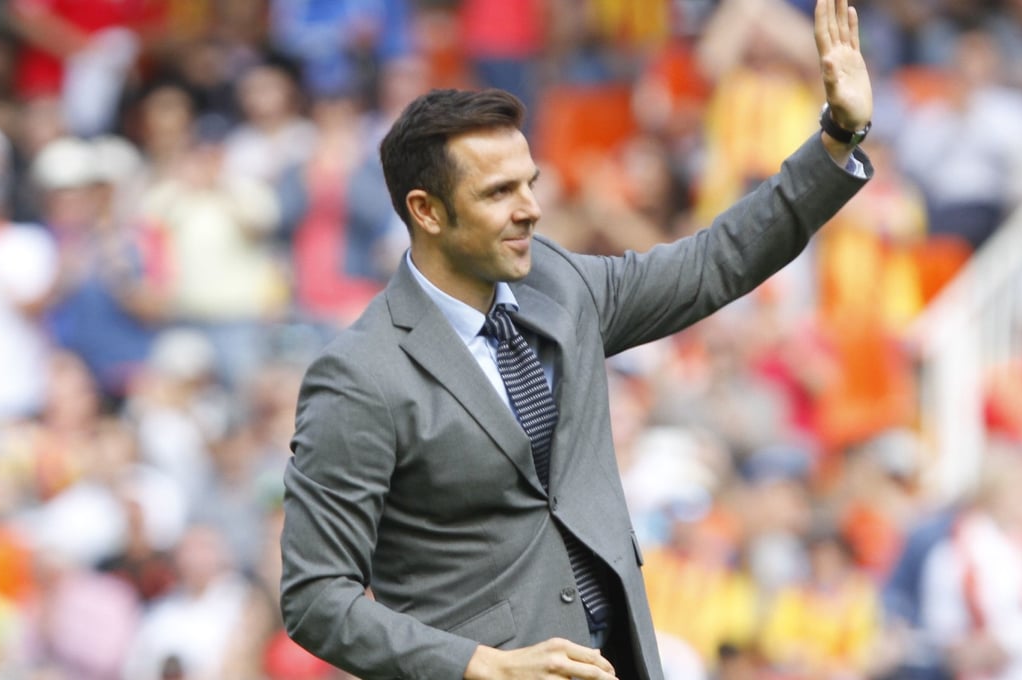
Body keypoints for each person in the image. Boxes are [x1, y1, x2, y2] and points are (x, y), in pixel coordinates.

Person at [278, 0, 873, 677]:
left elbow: (715, 261)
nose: (531, 209)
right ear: (427, 212)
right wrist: (479, 665)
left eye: (530, 184)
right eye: (499, 193)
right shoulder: (361, 374)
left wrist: (837, 137)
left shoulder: (562, 285)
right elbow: (315, 598)